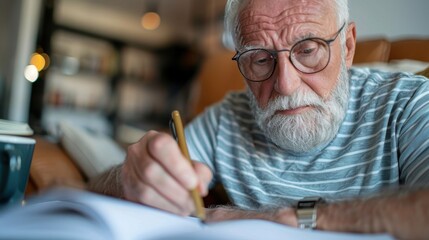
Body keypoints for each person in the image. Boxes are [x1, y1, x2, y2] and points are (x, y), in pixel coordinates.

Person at [89, 0, 429, 239]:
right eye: (259, 59)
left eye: (308, 50)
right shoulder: (225, 120)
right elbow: (106, 186)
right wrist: (128, 177)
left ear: (349, 46)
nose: (285, 84)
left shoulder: (410, 103)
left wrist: (289, 218)